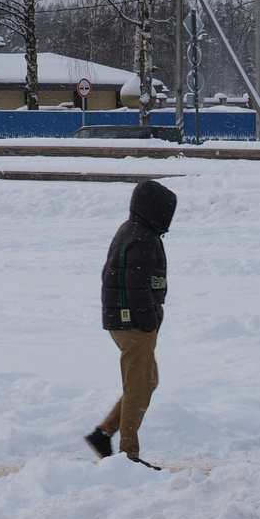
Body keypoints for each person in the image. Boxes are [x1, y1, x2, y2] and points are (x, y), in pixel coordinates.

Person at [86, 179, 175, 465]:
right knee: (138, 388)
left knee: (148, 381)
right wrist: (148, 321)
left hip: (125, 321)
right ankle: (128, 457)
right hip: (133, 324)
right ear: (155, 209)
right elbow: (136, 286)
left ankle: (103, 433)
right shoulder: (143, 238)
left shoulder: (133, 231)